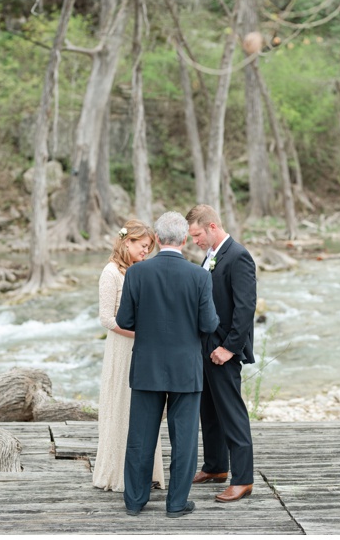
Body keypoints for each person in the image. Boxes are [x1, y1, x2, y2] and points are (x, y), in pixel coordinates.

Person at [116, 211, 219, 518]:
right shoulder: (200, 276)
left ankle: (135, 501)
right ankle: (176, 504)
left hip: (147, 366)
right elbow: (209, 323)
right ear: (185, 240)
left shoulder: (136, 273)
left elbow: (124, 320)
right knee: (184, 440)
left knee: (140, 437)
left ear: (158, 239)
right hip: (186, 369)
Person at [186, 204, 257, 503]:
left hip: (223, 351)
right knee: (209, 411)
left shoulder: (238, 256)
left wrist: (229, 348)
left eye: (197, 234)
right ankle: (215, 467)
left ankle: (243, 479)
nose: (195, 241)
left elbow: (245, 308)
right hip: (206, 348)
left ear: (212, 226)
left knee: (231, 412)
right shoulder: (211, 256)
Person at [93, 220, 165, 493]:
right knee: (122, 404)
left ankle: (147, 471)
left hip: (144, 348)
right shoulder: (110, 273)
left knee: (145, 406)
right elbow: (107, 319)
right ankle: (118, 473)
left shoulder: (141, 270)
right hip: (123, 348)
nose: (146, 251)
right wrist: (141, 334)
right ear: (127, 242)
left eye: (149, 247)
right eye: (143, 246)